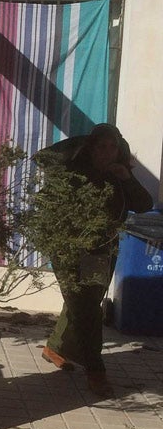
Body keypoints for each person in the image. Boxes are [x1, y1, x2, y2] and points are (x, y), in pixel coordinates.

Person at [37, 123, 153, 398]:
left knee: (84, 300)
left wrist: (126, 177)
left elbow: (144, 204)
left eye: (113, 147)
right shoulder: (74, 170)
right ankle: (95, 371)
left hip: (102, 249)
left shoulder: (118, 175)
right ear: (91, 146)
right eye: (102, 146)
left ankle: (55, 347)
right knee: (86, 307)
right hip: (68, 246)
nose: (107, 152)